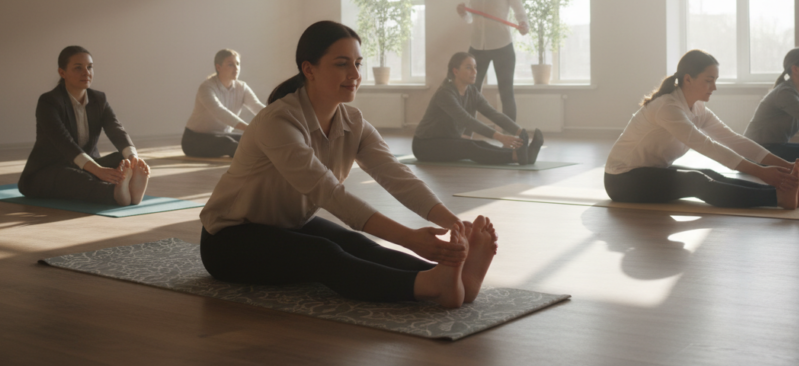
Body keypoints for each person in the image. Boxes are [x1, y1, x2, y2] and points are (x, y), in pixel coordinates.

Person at [199, 21, 498, 307]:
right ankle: (431, 287)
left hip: (289, 225)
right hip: (228, 240)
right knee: (322, 253)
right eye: (342, 64)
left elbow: (396, 175)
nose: (354, 73)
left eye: (357, 63)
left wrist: (454, 224)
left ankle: (456, 279)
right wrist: (409, 238)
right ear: (309, 69)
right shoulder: (278, 122)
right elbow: (329, 194)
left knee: (359, 245)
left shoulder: (352, 122)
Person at [605, 50, 799, 210]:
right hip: (622, 180)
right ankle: (778, 198)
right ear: (688, 79)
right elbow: (707, 146)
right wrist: (760, 171)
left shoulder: (696, 108)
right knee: (696, 180)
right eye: (709, 80)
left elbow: (733, 139)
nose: (714, 87)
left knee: (708, 173)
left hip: (649, 172)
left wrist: (785, 166)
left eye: (715, 80)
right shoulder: (667, 107)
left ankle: (782, 192)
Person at [18, 46, 150, 206]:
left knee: (122, 159)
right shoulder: (49, 102)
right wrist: (97, 170)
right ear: (62, 72)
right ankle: (115, 193)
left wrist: (133, 158)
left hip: (86, 166)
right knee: (75, 178)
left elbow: (116, 129)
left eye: (89, 67)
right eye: (78, 68)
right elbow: (65, 143)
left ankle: (129, 189)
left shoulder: (99, 99)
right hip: (48, 172)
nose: (86, 72)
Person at [413, 52, 544, 166]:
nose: (475, 72)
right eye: (469, 68)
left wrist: (520, 131)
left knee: (480, 144)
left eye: (475, 68)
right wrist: (500, 137)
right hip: (425, 145)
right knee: (470, 147)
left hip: (447, 140)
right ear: (455, 71)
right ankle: (515, 157)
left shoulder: (472, 92)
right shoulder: (445, 94)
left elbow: (493, 114)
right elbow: (467, 120)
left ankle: (524, 154)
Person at [456, 0, 529, 121]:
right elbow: (471, 19)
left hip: (502, 45)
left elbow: (520, 13)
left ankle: (511, 138)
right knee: (471, 91)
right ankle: (467, 135)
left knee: (506, 92)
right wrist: (463, 13)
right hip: (477, 47)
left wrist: (524, 24)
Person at [181, 49, 264, 158]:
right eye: (231, 65)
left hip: (222, 135)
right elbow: (220, 111)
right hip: (194, 140)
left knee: (251, 140)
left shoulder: (242, 87)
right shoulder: (206, 87)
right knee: (227, 143)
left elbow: (256, 106)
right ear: (218, 67)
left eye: (237, 64)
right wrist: (250, 128)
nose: (236, 68)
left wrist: (275, 118)